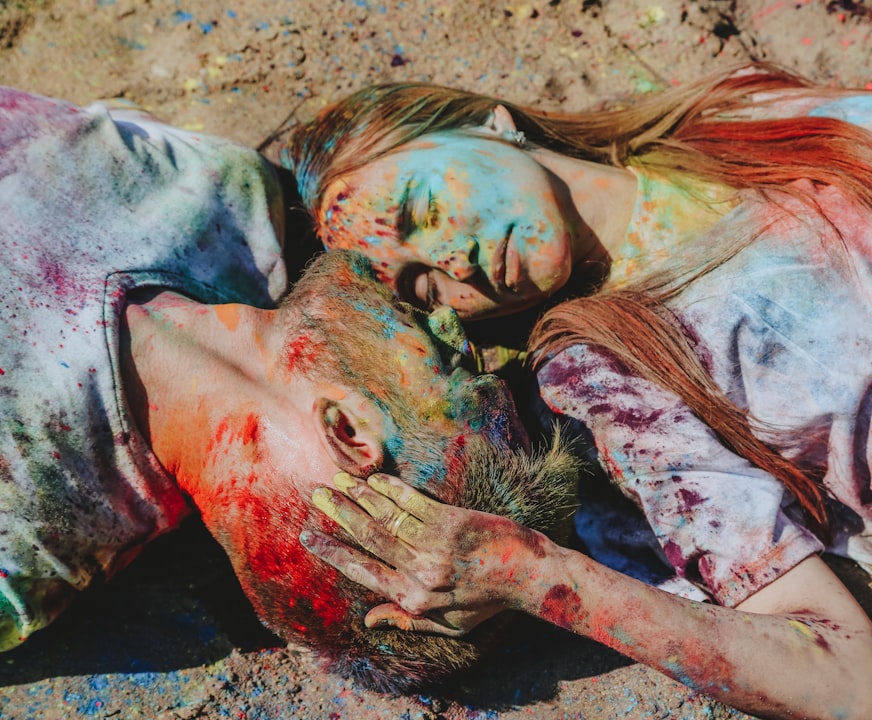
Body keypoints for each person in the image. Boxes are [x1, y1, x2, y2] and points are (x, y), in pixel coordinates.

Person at [284, 63, 872, 718]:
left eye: (425, 208)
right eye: (422, 289)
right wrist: (536, 576)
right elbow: (857, 689)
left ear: (490, 121)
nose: (453, 266)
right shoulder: (601, 375)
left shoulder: (727, 111)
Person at [0, 87, 582, 693]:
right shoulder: (233, 202)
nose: (448, 324)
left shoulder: (25, 548)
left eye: (455, 371)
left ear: (348, 432)